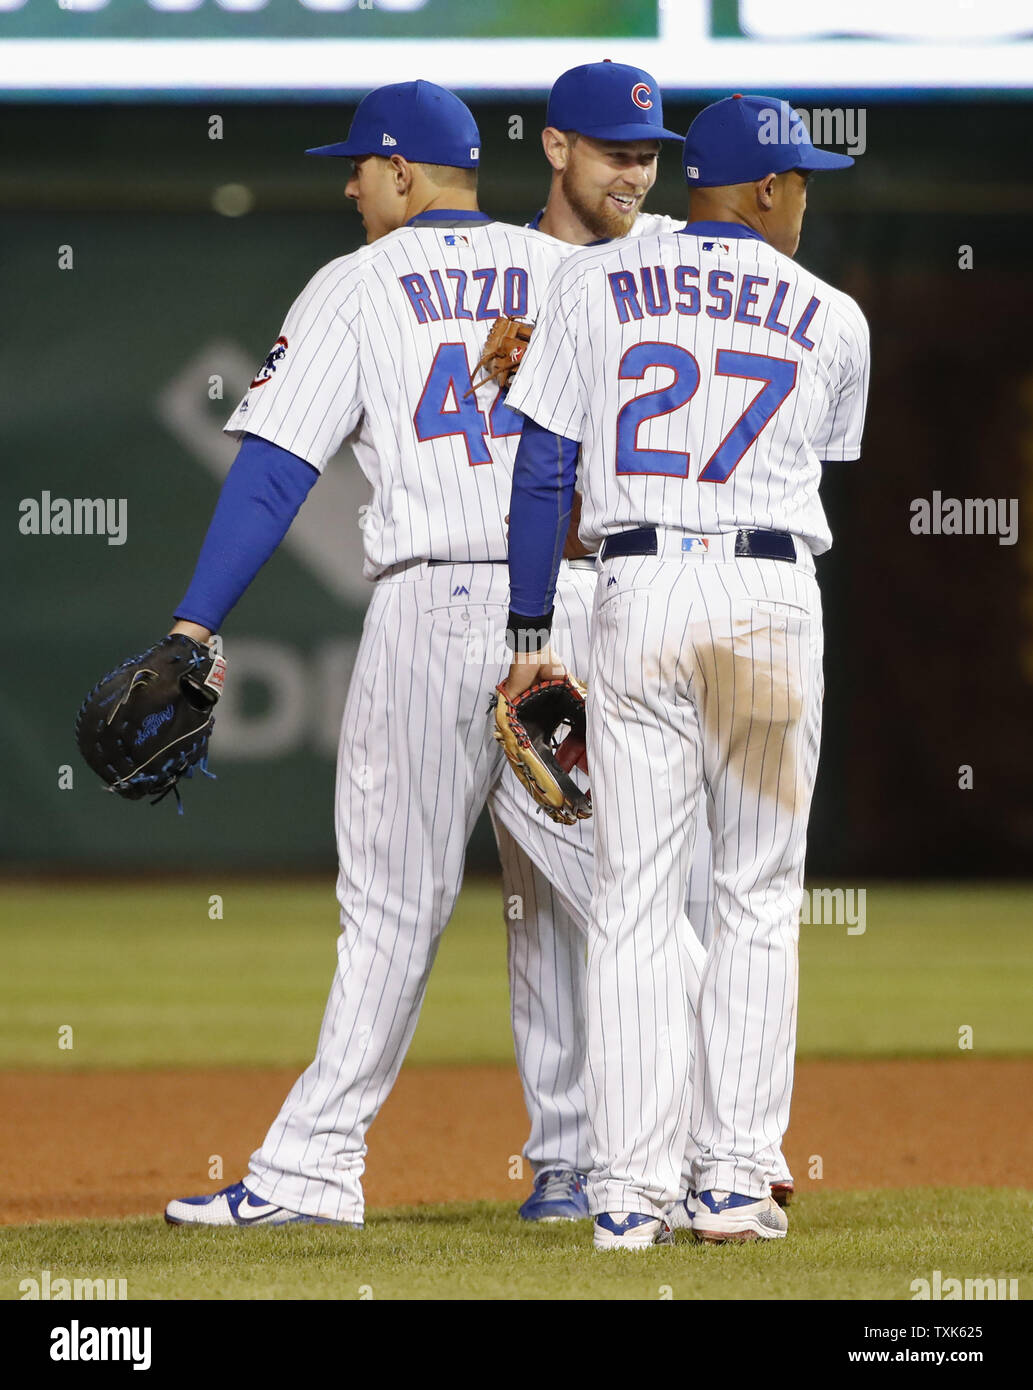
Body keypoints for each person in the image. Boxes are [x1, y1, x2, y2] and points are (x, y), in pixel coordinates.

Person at [163, 80, 601, 1228]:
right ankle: (600, 1163)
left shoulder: (356, 285)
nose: (348, 184)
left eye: (358, 166)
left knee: (393, 904)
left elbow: (272, 473)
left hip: (437, 603)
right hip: (579, 601)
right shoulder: (567, 271)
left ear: (403, 172)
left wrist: (193, 624)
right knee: (589, 896)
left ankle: (312, 1172)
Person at [501, 94, 870, 1249]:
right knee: (756, 894)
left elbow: (543, 470)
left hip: (636, 589)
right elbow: (821, 461)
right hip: (766, 594)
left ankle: (624, 1192)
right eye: (798, 178)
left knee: (632, 900)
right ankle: (731, 1180)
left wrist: (526, 634)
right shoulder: (834, 314)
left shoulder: (587, 288)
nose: (804, 193)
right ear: (762, 189)